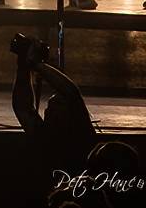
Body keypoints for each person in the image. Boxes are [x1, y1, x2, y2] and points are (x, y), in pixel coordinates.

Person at [10, 34, 98, 189]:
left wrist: (35, 64)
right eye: (50, 105)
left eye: (57, 103)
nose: (50, 106)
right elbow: (23, 106)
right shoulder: (50, 136)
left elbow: (70, 93)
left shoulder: (80, 137)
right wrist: (24, 66)